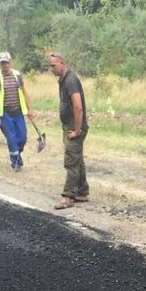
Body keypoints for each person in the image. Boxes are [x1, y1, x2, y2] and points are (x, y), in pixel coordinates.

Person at [47, 52, 89, 210]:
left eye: (53, 65)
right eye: (50, 65)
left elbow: (78, 107)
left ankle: (68, 196)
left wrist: (77, 130)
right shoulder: (63, 80)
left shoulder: (70, 80)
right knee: (77, 160)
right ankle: (82, 192)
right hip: (70, 126)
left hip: (75, 127)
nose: (51, 69)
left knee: (71, 161)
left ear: (62, 63)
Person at [0, 52, 35, 171]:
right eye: (2, 63)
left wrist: (30, 109)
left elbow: (24, 92)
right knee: (11, 138)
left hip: (18, 111)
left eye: (6, 62)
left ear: (10, 62)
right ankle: (16, 162)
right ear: (0, 63)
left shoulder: (17, 75)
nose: (5, 65)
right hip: (5, 113)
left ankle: (16, 153)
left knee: (23, 137)